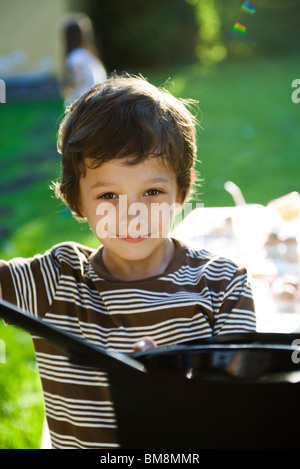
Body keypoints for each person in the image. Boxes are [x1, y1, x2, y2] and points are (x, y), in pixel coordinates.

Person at [0, 74, 256, 449]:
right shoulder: (55, 281)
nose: (132, 213)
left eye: (152, 191)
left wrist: (163, 385)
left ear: (181, 191)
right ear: (77, 201)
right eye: (109, 195)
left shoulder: (223, 286)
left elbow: (243, 409)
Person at [60, 13, 107, 107]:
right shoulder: (88, 55)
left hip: (87, 103)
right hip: (99, 97)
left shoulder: (75, 57)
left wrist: (68, 89)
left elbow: (80, 79)